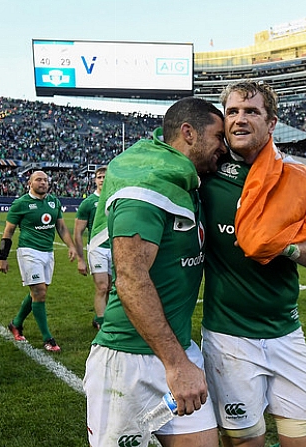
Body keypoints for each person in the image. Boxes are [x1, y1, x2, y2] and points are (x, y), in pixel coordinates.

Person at [200, 80, 306, 447]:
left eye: (251, 111)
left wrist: (285, 244)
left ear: (271, 122)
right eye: (232, 111)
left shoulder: (299, 179)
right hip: (228, 338)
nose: (239, 119)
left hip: (286, 334)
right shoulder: (203, 178)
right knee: (245, 442)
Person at [83, 97, 226, 447]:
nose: (225, 148)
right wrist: (176, 365)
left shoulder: (184, 181)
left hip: (177, 349)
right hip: (128, 360)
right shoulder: (145, 183)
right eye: (219, 137)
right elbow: (131, 277)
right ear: (189, 133)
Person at [0, 170, 78, 353]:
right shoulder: (21, 203)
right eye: (38, 180)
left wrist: (71, 246)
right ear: (30, 183)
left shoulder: (54, 202)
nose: (42, 182)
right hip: (28, 251)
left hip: (48, 253)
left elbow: (61, 227)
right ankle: (47, 338)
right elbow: (8, 231)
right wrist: (2, 257)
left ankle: (16, 323)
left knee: (38, 293)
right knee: (39, 291)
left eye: (45, 180)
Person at [73, 166, 111, 330]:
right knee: (102, 287)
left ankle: (103, 317)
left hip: (115, 249)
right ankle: (102, 323)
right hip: (98, 249)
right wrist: (81, 259)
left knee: (111, 288)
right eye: (99, 177)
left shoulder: (115, 199)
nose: (102, 179)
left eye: (105, 176)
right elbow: (77, 232)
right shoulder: (88, 203)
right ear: (95, 180)